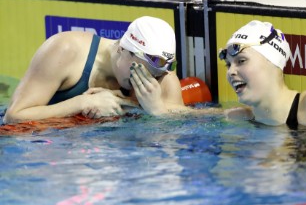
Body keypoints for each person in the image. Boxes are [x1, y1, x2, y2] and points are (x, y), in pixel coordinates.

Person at [3, 16, 187, 124]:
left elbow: (193, 123)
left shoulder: (164, 78)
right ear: (123, 49)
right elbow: (13, 116)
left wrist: (156, 110)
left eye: (156, 74)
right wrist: (81, 102)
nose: (150, 81)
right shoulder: (66, 50)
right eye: (141, 73)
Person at [219, 20, 306, 129]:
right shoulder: (239, 116)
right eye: (228, 64)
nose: (231, 71)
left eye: (241, 61)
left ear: (273, 62)